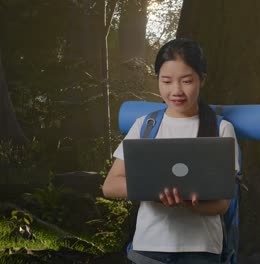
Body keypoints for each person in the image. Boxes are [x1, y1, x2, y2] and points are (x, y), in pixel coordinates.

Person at [102, 38, 239, 264]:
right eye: (166, 81)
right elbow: (110, 185)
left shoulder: (221, 129)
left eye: (186, 81)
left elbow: (223, 204)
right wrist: (154, 190)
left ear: (202, 80)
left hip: (201, 251)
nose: (176, 90)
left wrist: (189, 204)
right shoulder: (145, 126)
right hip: (147, 249)